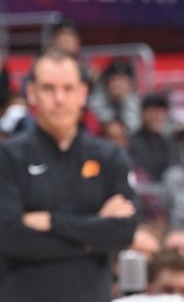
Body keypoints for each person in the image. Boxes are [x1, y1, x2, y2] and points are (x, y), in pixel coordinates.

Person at [0, 49, 139, 302]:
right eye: (48, 88)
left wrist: (51, 222)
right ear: (32, 93)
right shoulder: (7, 157)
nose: (59, 98)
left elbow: (124, 231)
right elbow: (9, 237)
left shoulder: (110, 157)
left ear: (83, 93)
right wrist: (94, 230)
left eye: (68, 88)